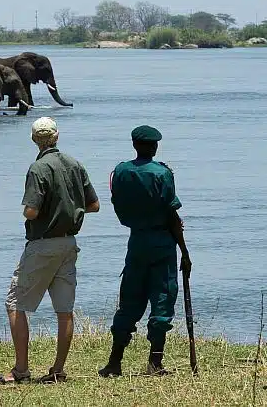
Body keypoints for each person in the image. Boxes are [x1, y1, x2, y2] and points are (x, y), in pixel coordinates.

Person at [0, 116, 100, 384]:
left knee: (15, 304)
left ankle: (21, 369)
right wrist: (71, 209)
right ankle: (58, 369)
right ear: (57, 136)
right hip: (68, 244)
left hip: (43, 245)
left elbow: (31, 211)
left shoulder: (38, 168)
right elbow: (94, 205)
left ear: (34, 139)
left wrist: (32, 213)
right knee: (64, 309)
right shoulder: (75, 164)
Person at [99, 125, 191, 378]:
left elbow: (117, 203)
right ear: (154, 146)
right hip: (162, 242)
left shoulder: (120, 171)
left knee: (129, 300)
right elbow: (172, 215)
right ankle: (154, 363)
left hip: (136, 241)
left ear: (134, 145)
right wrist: (184, 250)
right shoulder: (162, 173)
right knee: (162, 299)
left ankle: (114, 362)